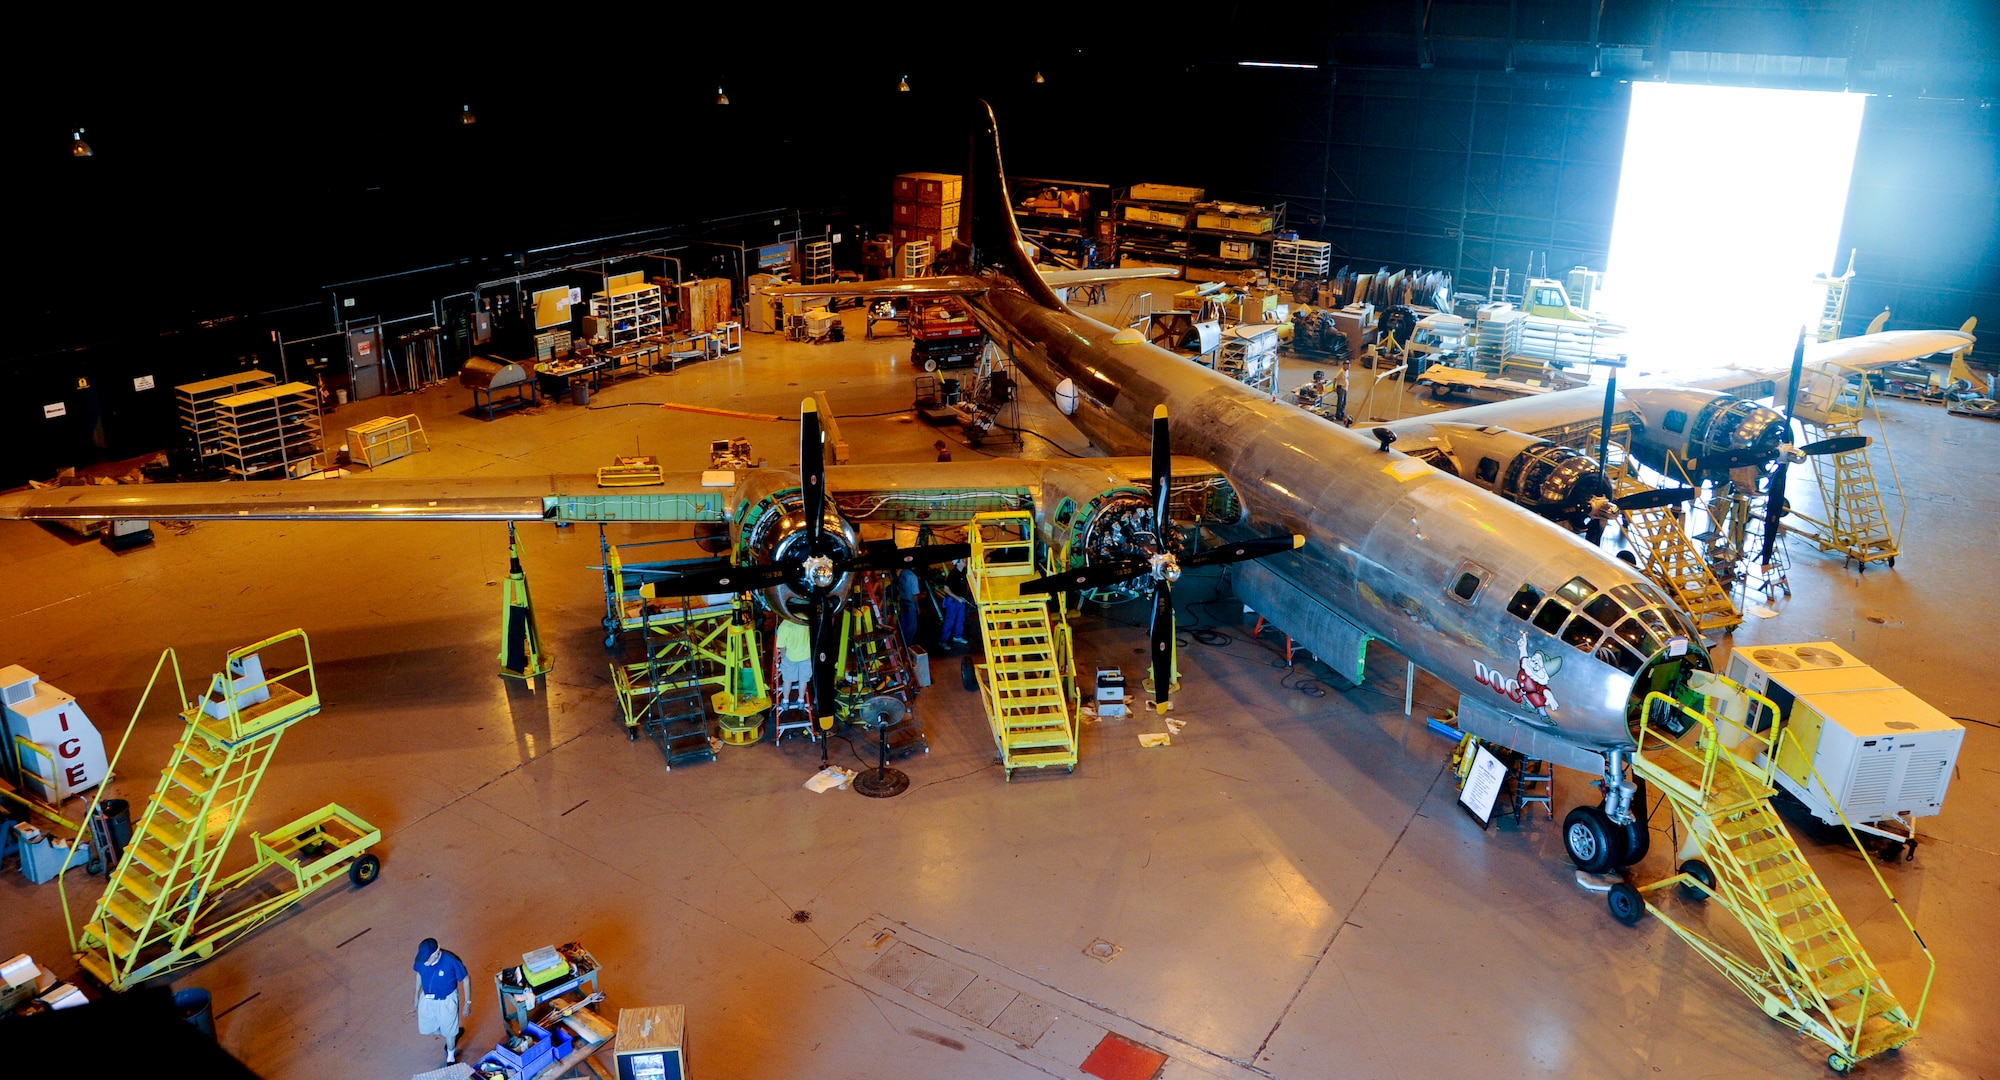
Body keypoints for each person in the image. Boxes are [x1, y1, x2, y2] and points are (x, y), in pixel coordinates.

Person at [413, 938, 470, 1065]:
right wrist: (416, 995)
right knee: (427, 1028)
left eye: (427, 959)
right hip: (427, 998)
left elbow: (465, 979)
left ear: (436, 953)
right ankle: (452, 1035)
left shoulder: (451, 961)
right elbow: (419, 974)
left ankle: (450, 1056)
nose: (425, 962)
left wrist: (468, 1002)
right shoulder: (422, 960)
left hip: (447, 1000)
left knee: (449, 1031)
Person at [775, 616, 812, 706]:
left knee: (787, 680)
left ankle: (785, 701)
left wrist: (783, 657)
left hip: (790, 657)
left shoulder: (784, 627)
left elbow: (782, 647)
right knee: (803, 680)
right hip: (806, 656)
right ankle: (801, 701)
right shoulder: (805, 620)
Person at [896, 566, 922, 647]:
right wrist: (918, 608)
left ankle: (903, 642)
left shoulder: (903, 572)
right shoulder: (913, 577)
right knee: (911, 626)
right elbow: (915, 595)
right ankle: (908, 645)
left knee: (904, 623)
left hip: (903, 601)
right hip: (910, 603)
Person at [1333, 359, 1352, 425]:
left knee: (1344, 402)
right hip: (1340, 388)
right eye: (1348, 366)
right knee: (1340, 402)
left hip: (1345, 388)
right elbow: (1335, 378)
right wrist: (1334, 387)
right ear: (1344, 365)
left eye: (1349, 366)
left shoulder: (1347, 371)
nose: (1349, 367)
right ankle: (1338, 415)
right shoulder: (1341, 371)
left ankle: (1342, 413)